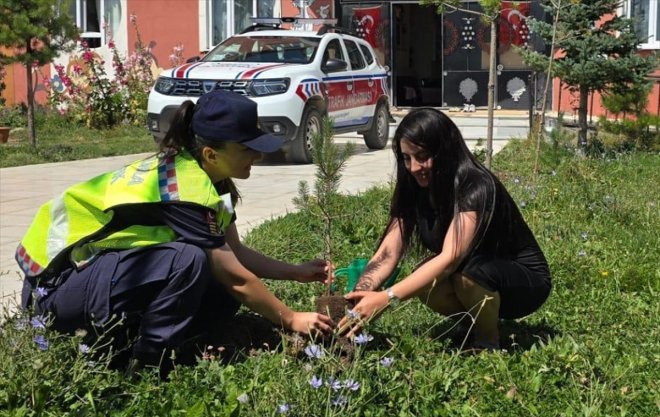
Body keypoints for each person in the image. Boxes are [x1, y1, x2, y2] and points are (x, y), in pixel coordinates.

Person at [17, 90, 334, 371]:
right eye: (248, 149)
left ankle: (180, 342)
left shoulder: (211, 180)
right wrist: (290, 318)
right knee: (189, 259)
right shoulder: (185, 188)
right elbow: (235, 276)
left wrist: (296, 272)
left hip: (91, 281)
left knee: (212, 272)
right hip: (53, 290)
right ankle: (147, 365)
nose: (258, 155)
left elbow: (235, 254)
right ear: (212, 153)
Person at [340, 108, 551, 350]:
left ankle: (486, 341)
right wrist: (359, 296)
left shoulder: (475, 185)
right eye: (407, 158)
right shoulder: (415, 188)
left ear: (445, 150)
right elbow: (388, 252)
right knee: (423, 278)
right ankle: (470, 322)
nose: (414, 167)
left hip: (524, 283)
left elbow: (451, 259)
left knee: (468, 275)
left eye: (422, 156)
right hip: (474, 275)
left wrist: (386, 299)